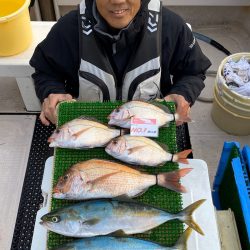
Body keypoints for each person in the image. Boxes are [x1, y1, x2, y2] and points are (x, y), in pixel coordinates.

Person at [30, 0, 211, 126]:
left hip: (149, 125)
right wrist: (53, 92)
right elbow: (46, 71)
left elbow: (193, 71)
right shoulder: (67, 28)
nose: (117, 1)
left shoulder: (171, 26)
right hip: (87, 125)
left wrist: (183, 93)